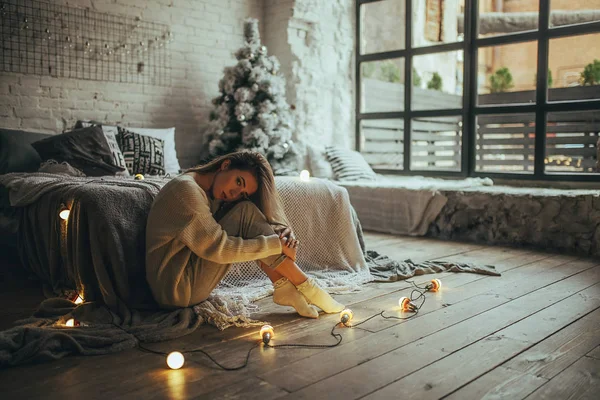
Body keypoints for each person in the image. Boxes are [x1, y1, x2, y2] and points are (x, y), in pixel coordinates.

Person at [145, 151, 345, 318]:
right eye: (238, 181)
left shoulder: (207, 191)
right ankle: (305, 285)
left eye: (242, 192)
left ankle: (284, 285)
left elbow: (249, 218)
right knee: (245, 215)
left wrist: (279, 236)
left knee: (246, 210)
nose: (234, 193)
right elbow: (220, 249)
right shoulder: (186, 191)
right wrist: (276, 246)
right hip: (177, 291)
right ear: (225, 165)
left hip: (185, 279)